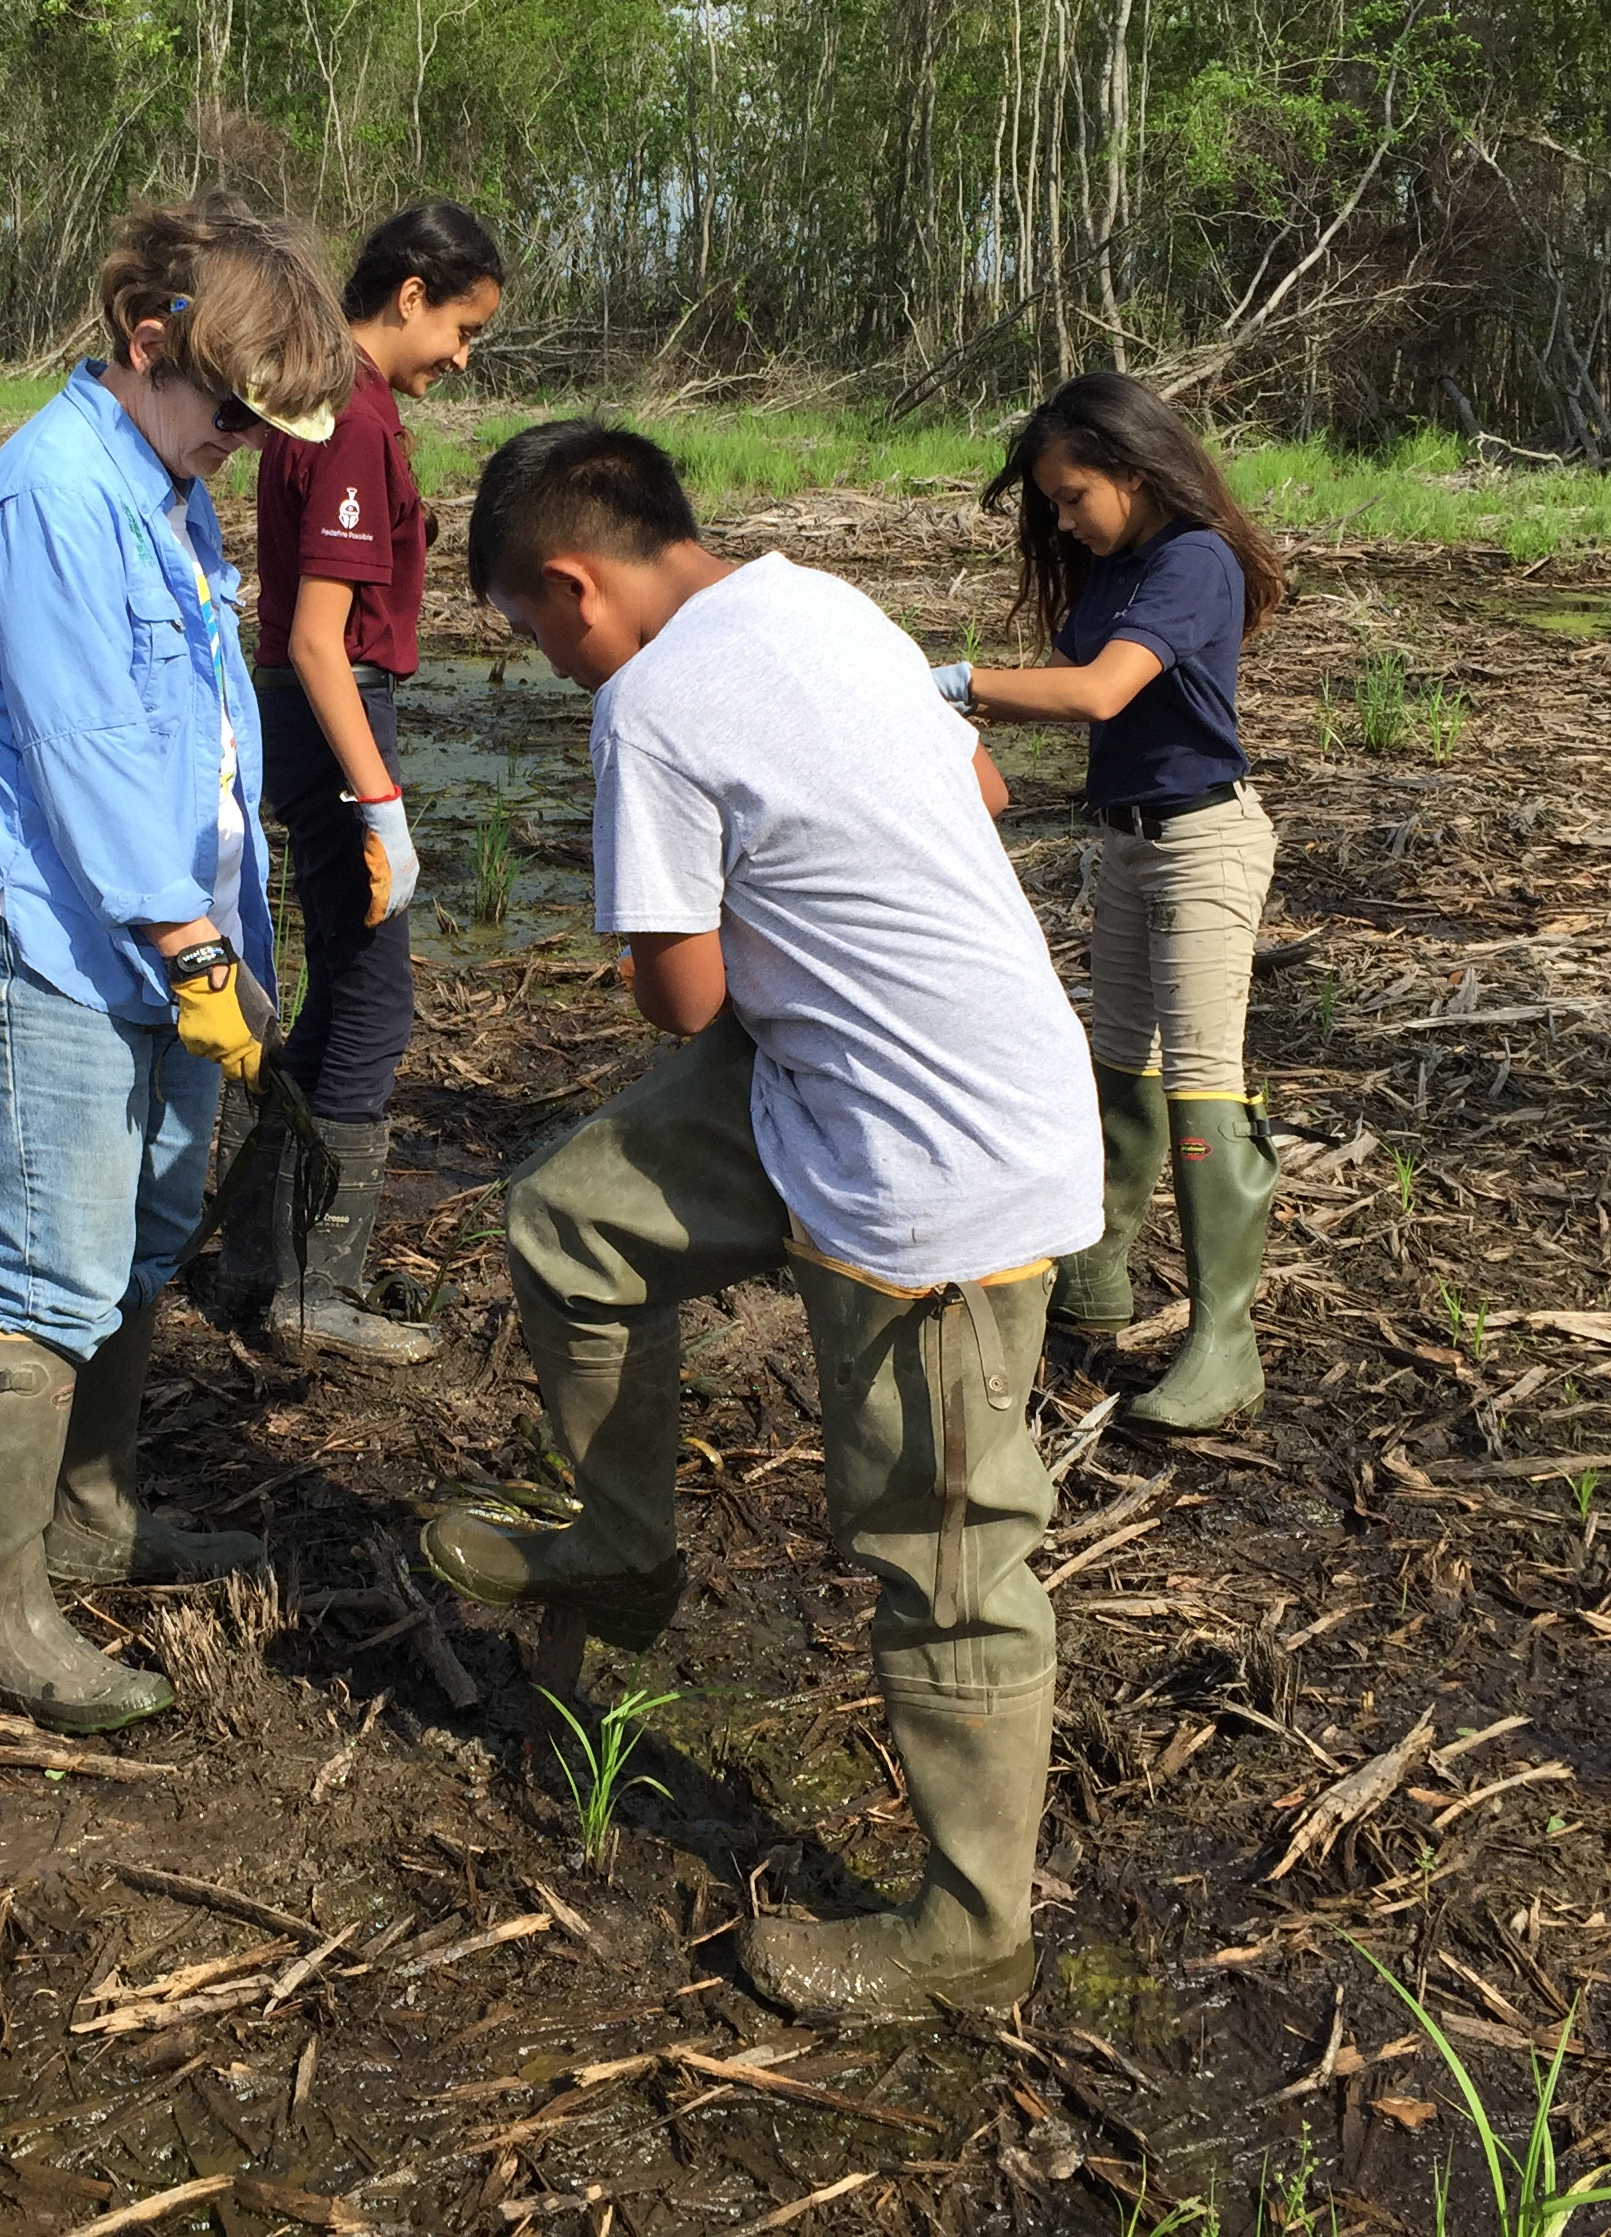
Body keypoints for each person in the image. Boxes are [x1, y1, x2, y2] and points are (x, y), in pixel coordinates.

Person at [420, 422, 1101, 2020]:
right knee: (576, 1221)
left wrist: (743, 916)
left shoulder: (651, 710)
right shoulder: (824, 604)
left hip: (937, 1159)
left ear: (574, 586)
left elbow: (679, 994)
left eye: (532, 636)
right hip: (822, 1066)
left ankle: (970, 1931)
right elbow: (984, 781)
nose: (548, 669)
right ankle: (618, 1546)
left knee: (943, 1549)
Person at [0, 199, 357, 1735]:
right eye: (230, 407)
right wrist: (189, 946)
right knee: (48, 1266)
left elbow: (195, 736)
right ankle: (5, 1615)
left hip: (175, 938)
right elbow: (91, 759)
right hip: (57, 941)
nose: (242, 437)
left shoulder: (164, 485)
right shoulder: (52, 498)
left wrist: (222, 937)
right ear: (147, 341)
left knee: (142, 1234)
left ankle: (100, 1525)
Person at [933, 372, 1287, 1434]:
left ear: (1135, 473)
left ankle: (1226, 1341)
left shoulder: (1193, 560)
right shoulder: (1124, 566)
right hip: (1128, 842)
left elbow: (1096, 691)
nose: (1063, 518)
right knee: (1121, 1058)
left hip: (1204, 844)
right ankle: (1096, 1278)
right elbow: (1074, 671)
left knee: (1204, 1083)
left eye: (1074, 495)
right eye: (1050, 502)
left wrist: (951, 685)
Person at [224, 200, 506, 1363]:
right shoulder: (347, 419)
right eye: (463, 327)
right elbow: (314, 640)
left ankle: (258, 1258)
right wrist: (378, 798)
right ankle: (311, 1298)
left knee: (341, 990)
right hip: (335, 717)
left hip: (319, 721)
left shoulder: (331, 400)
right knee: (375, 1001)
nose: (464, 354)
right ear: (410, 297)